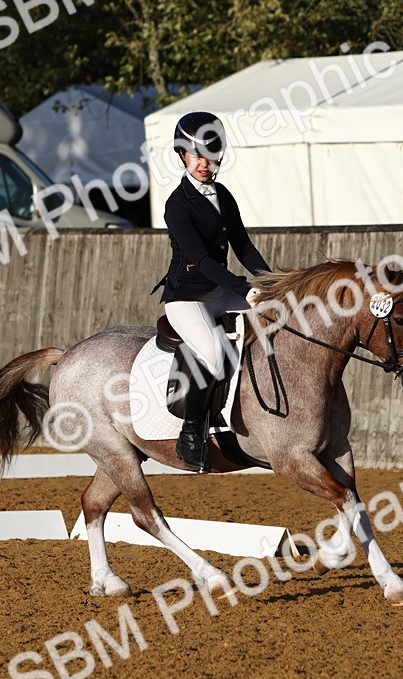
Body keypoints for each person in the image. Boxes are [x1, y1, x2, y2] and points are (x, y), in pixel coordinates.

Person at [153, 111, 272, 471]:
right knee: (213, 354)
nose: (205, 164)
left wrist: (271, 283)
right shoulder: (177, 205)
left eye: (211, 156)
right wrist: (243, 288)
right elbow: (203, 260)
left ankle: (238, 423)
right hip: (187, 297)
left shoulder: (223, 195)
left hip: (221, 291)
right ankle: (192, 435)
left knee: (273, 325)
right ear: (182, 156)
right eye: (196, 156)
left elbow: (245, 248)